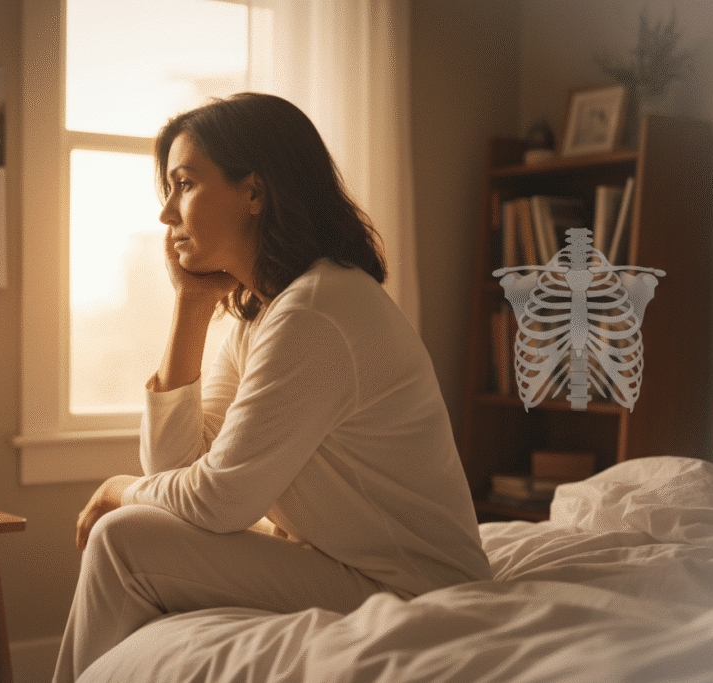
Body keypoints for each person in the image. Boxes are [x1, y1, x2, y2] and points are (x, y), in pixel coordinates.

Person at [52, 92, 491, 681]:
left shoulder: (315, 311)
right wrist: (190, 305)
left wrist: (120, 490)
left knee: (122, 537)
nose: (166, 214)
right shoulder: (265, 311)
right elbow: (176, 464)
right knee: (127, 534)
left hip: (415, 587)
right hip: (341, 562)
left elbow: (219, 500)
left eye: (184, 184)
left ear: (253, 192)